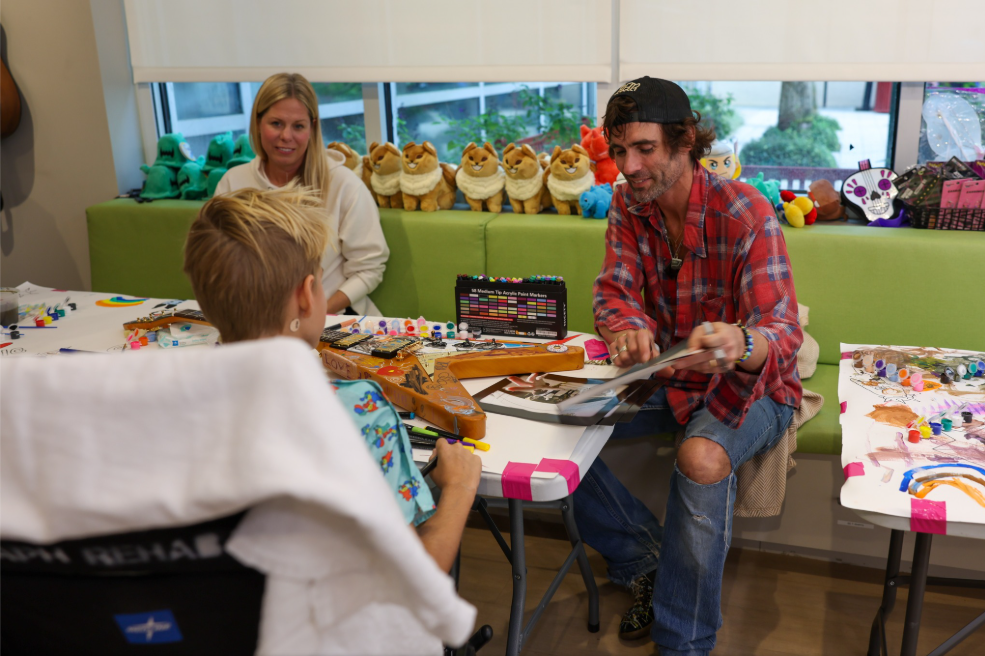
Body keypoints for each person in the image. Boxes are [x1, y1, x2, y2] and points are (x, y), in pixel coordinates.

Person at [575, 77, 803, 655]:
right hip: (667, 374)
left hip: (749, 386)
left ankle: (684, 645)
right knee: (559, 423)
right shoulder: (629, 206)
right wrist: (626, 327)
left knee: (700, 456)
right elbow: (613, 292)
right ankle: (642, 559)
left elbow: (782, 331)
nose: (629, 166)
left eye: (644, 149)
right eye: (619, 150)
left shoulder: (746, 211)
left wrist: (737, 340)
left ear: (684, 144)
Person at [183, 186, 480, 573]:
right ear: (308, 296)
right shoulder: (361, 410)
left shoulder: (180, 400)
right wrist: (460, 486)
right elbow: (413, 573)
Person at [214, 72, 388, 316]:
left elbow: (368, 268)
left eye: (298, 126)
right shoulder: (232, 183)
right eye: (276, 123)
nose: (286, 136)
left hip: (333, 320)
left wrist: (314, 315)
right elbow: (219, 264)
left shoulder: (344, 185)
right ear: (257, 123)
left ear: (312, 128)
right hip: (257, 321)